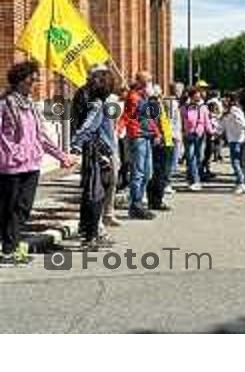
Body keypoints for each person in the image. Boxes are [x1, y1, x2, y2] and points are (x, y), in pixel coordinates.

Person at [0, 60, 75, 265]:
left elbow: (41, 137)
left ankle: (10, 246)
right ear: (20, 80)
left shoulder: (31, 105)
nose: (34, 81)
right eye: (31, 77)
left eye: (36, 77)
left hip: (32, 165)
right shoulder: (5, 104)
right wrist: (12, 152)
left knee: (23, 207)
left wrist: (62, 156)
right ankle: (9, 249)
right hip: (10, 166)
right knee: (8, 208)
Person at [71, 70, 117, 248]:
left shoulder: (100, 102)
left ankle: (89, 232)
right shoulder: (98, 104)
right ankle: (90, 236)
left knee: (96, 192)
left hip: (99, 151)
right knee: (95, 194)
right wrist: (76, 145)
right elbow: (88, 126)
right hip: (97, 153)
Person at [121, 71, 159, 219]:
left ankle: (139, 201)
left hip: (146, 136)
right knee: (138, 172)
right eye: (148, 81)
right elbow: (127, 116)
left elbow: (149, 117)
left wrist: (156, 132)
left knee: (147, 173)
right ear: (142, 82)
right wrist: (122, 129)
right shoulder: (133, 96)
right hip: (137, 136)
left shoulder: (144, 97)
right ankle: (135, 205)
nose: (150, 83)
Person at [182, 86, 213, 191]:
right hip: (188, 135)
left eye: (199, 94)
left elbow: (207, 122)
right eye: (196, 94)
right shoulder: (185, 107)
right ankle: (195, 181)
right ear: (191, 96)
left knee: (199, 158)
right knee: (191, 158)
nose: (199, 96)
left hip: (200, 135)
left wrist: (211, 132)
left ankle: (192, 178)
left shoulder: (203, 108)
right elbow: (183, 121)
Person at [219, 93, 245, 194]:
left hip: (237, 139)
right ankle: (240, 182)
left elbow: (242, 122)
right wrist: (217, 132)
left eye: (226, 99)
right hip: (233, 139)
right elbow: (222, 125)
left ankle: (242, 183)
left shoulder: (234, 110)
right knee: (238, 162)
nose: (224, 101)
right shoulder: (228, 111)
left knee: (236, 162)